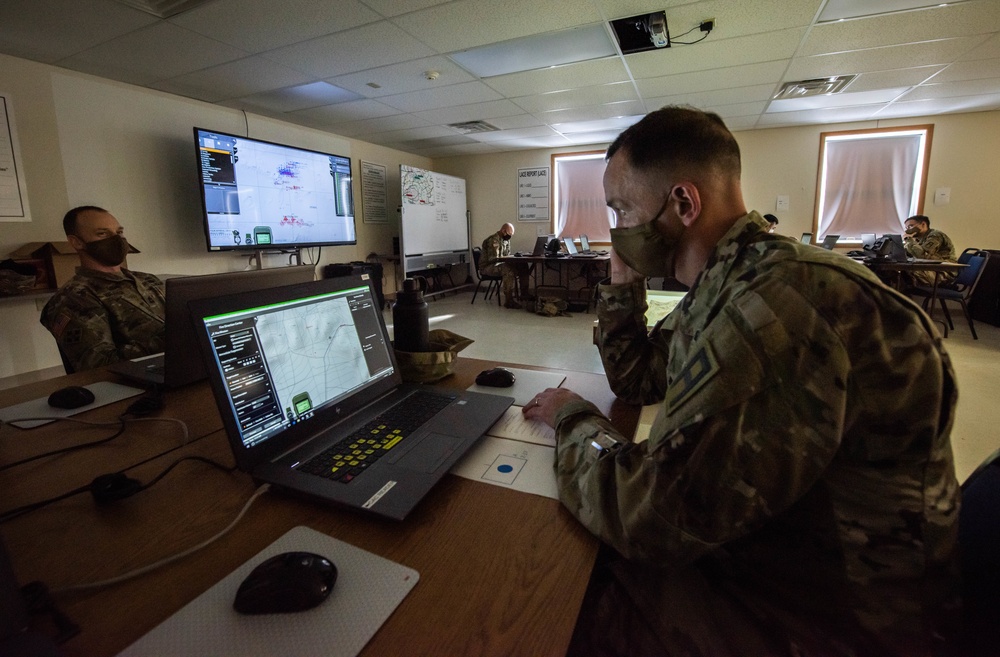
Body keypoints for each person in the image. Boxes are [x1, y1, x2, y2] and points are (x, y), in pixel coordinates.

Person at [522, 107, 960, 656]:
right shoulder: (735, 278)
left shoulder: (773, 307)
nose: (617, 228)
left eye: (622, 208)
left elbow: (650, 517)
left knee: (554, 600)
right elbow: (639, 379)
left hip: (832, 619)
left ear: (683, 203)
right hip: (798, 560)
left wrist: (572, 418)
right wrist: (621, 285)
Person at [40, 206, 165, 372]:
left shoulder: (148, 280)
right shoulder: (74, 298)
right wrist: (168, 342)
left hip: (180, 367)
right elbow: (97, 365)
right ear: (76, 242)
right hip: (138, 383)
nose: (116, 240)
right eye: (102, 234)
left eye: (119, 233)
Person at [480, 222, 530, 308]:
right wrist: (509, 261)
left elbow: (507, 255)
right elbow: (494, 258)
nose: (509, 236)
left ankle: (524, 294)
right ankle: (509, 300)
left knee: (523, 266)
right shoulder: (493, 240)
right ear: (503, 230)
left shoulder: (505, 240)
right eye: (509, 234)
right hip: (488, 266)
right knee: (507, 269)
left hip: (499, 264)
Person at [903, 214, 958, 285]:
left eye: (910, 226)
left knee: (903, 273)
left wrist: (908, 239)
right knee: (892, 273)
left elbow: (923, 256)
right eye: (906, 228)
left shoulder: (935, 235)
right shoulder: (918, 240)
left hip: (943, 272)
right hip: (931, 269)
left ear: (923, 224)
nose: (908, 230)